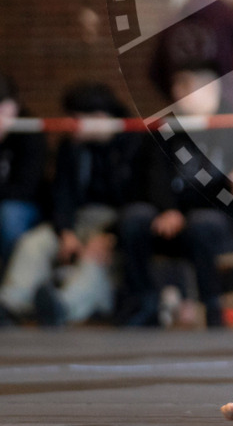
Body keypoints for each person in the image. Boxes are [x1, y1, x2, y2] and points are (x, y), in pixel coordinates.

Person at [118, 61, 233, 328]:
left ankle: (212, 306)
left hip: (218, 223)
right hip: (172, 220)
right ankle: (144, 301)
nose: (177, 92)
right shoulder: (167, 129)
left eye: (185, 85)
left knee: (203, 223)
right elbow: (153, 176)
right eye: (176, 85)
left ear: (210, 88)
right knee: (134, 219)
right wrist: (167, 208)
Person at [0, 82, 142, 328]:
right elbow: (61, 193)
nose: (69, 123)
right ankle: (10, 304)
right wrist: (64, 230)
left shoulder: (135, 145)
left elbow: (140, 202)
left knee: (94, 261)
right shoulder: (71, 147)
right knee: (33, 244)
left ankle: (63, 306)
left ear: (99, 117)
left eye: (75, 117)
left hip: (113, 224)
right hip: (76, 220)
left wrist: (111, 235)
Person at [0, 72, 48, 274]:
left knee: (9, 215)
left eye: (4, 107)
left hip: (23, 205)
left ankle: (11, 283)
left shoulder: (30, 130)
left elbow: (26, 187)